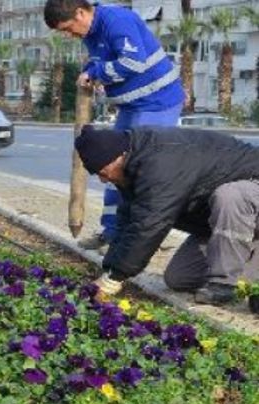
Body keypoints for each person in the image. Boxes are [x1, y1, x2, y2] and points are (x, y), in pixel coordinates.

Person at [44, 0, 184, 252]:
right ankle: (111, 232)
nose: (69, 35)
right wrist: (89, 70)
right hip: (132, 107)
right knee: (112, 166)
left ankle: (138, 239)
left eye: (68, 28)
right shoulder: (91, 30)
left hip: (157, 104)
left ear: (80, 12)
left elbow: (133, 63)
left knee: (139, 171)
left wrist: (97, 73)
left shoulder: (117, 20)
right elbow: (100, 59)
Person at [74, 125, 259, 305]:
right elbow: (129, 222)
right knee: (179, 278)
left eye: (102, 172)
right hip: (230, 223)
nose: (102, 179)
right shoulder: (132, 166)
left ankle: (223, 285)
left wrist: (115, 278)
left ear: (118, 157)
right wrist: (110, 268)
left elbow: (150, 223)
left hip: (251, 195)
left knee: (231, 196)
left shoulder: (160, 162)